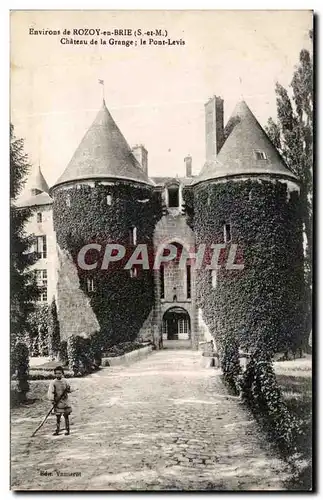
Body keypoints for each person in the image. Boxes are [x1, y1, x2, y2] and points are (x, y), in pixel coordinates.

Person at [48, 366, 72, 436]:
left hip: (65, 402)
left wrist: (68, 390)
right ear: (54, 374)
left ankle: (67, 430)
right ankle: (57, 430)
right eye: (56, 373)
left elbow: (69, 388)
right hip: (57, 402)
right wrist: (52, 400)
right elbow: (51, 392)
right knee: (58, 417)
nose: (58, 375)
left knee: (66, 416)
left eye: (60, 373)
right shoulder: (53, 383)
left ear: (62, 373)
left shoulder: (65, 381)